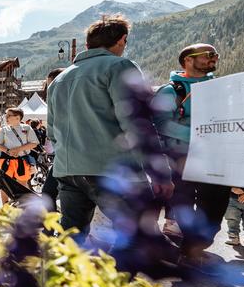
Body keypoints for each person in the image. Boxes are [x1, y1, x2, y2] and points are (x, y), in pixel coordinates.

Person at [47, 16, 173, 244]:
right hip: (112, 170)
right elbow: (137, 124)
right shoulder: (120, 67)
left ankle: (62, 278)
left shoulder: (59, 79)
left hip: (68, 170)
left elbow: (52, 132)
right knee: (139, 235)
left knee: (70, 239)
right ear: (122, 40)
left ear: (87, 45)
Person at [152, 43, 228, 260]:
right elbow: (162, 125)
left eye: (215, 54)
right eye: (208, 55)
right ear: (188, 60)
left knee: (217, 202)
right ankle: (191, 247)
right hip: (181, 158)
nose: (214, 58)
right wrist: (198, 136)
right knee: (182, 201)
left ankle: (198, 242)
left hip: (214, 158)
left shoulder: (220, 87)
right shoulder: (170, 90)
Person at [0, 107, 39, 205]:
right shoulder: (4, 129)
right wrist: (8, 151)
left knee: (23, 183)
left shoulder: (27, 128)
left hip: (23, 160)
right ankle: (5, 207)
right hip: (6, 160)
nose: (6, 117)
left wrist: (18, 149)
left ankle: (24, 206)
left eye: (9, 115)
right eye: (7, 115)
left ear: (18, 117)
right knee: (5, 184)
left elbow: (34, 143)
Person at [39, 68, 64, 208]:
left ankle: (49, 228)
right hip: (63, 158)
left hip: (66, 159)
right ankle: (49, 228)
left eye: (51, 84)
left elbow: (52, 133)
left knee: (48, 193)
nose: (50, 88)